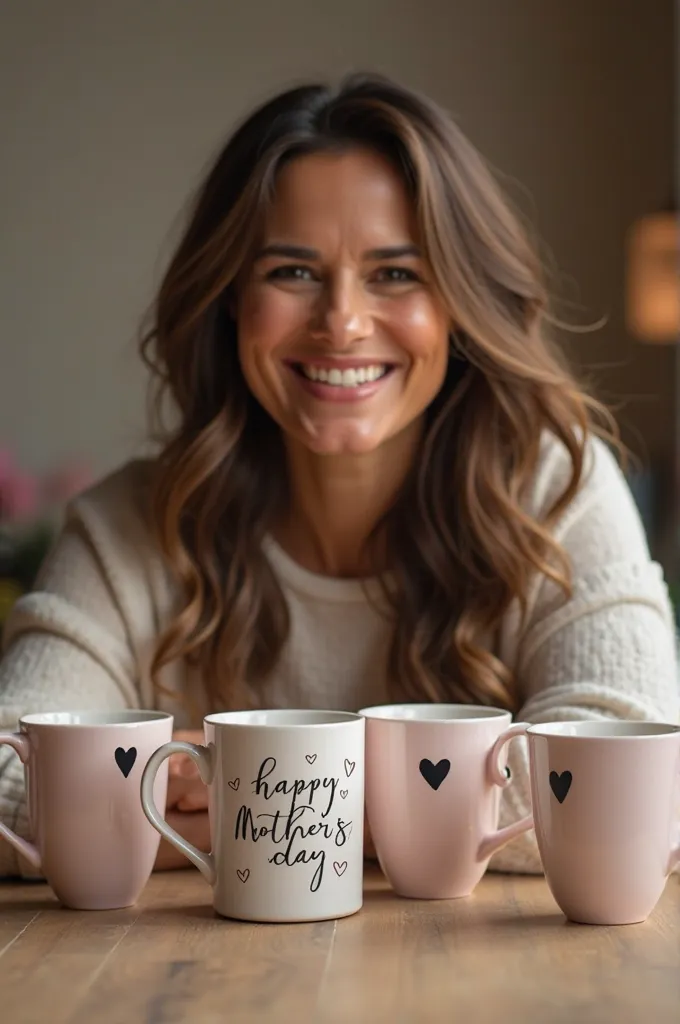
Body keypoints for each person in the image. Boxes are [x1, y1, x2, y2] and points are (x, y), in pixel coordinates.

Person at [1, 72, 677, 878]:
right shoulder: (130, 526)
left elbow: (632, 778)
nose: (342, 323)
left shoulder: (553, 490)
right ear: (229, 297)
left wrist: (251, 803)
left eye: (396, 273)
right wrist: (421, 813)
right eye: (292, 271)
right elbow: (9, 777)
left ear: (459, 302)